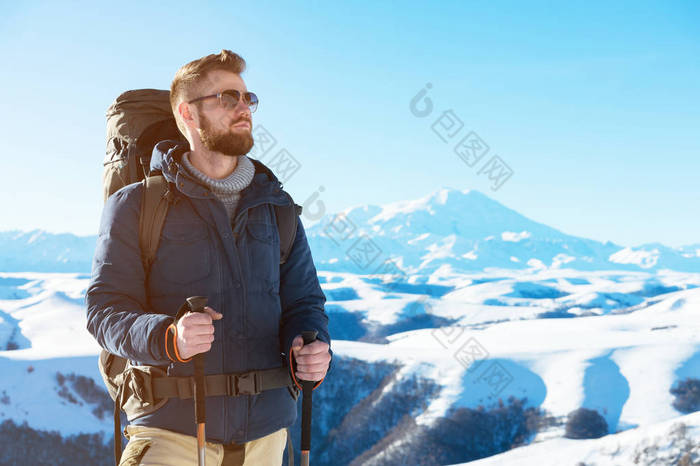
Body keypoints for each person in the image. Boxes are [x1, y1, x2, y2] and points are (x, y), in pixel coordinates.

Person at [86, 49, 332, 466]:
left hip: (268, 436)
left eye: (246, 98)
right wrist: (169, 338)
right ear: (187, 114)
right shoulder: (138, 205)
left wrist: (311, 344)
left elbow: (305, 303)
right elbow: (103, 310)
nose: (243, 108)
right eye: (226, 98)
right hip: (170, 432)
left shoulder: (278, 209)